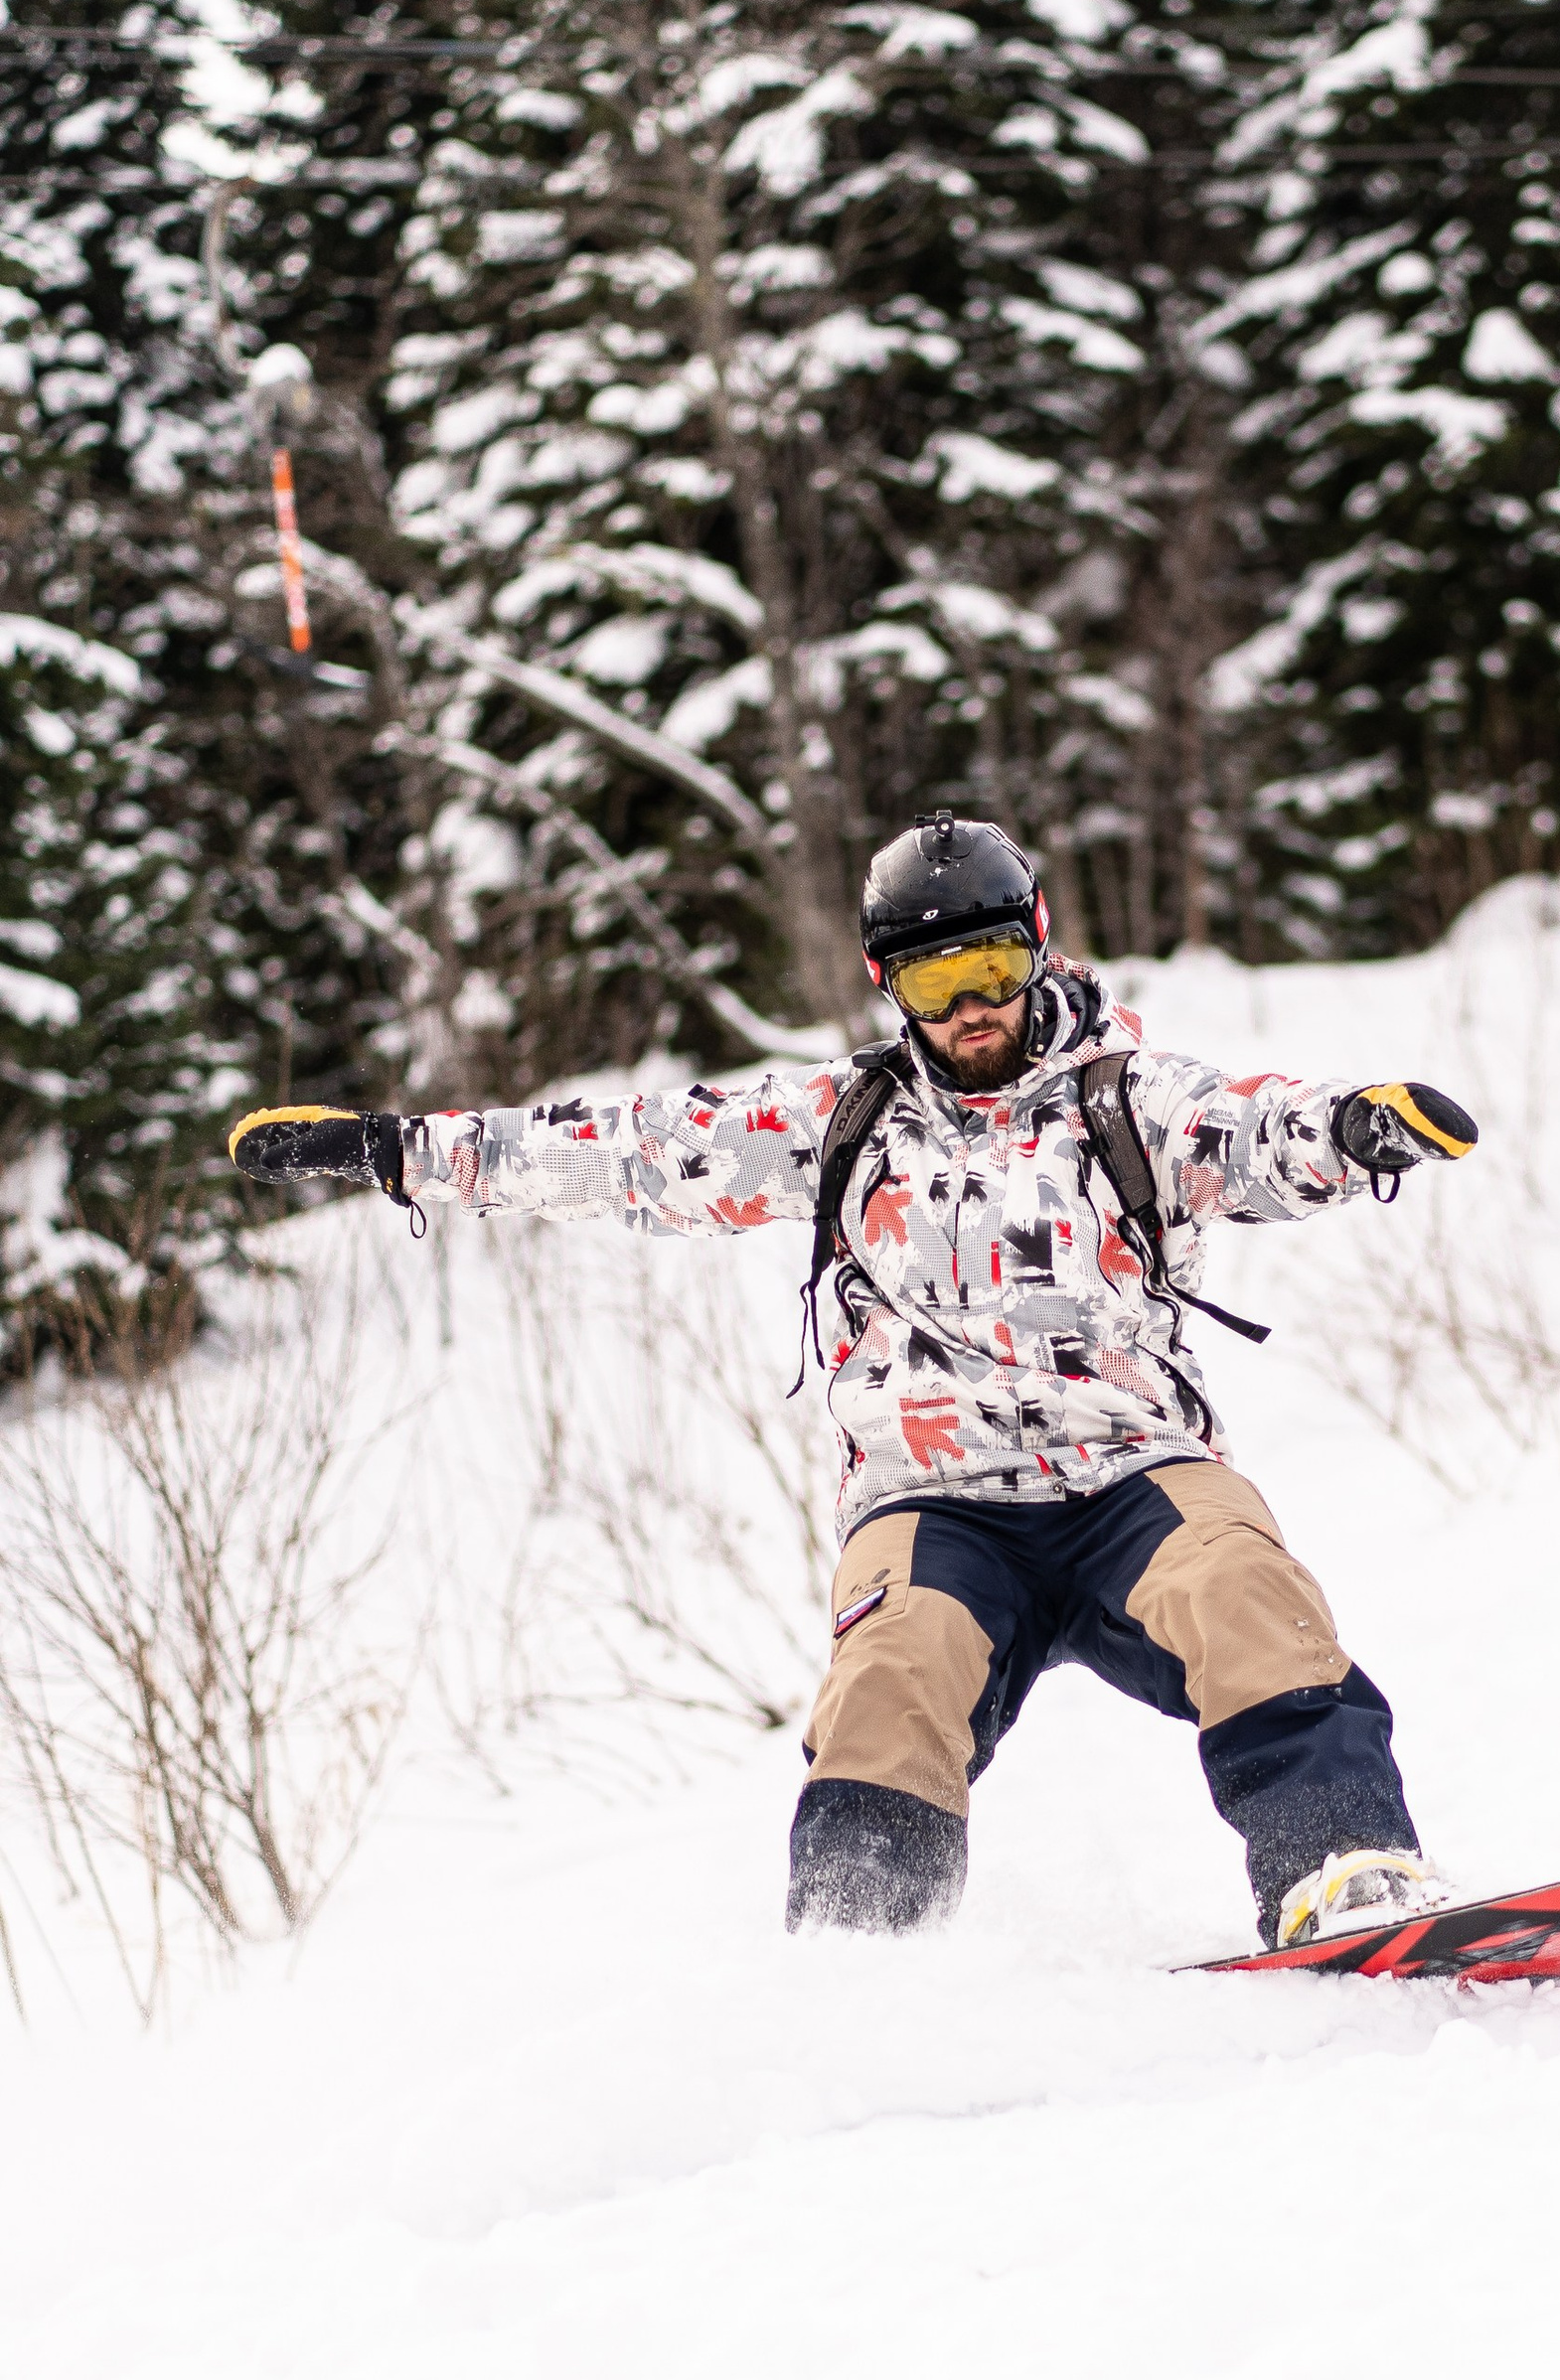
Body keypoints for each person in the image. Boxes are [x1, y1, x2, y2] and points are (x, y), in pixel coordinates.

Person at [229, 811, 1480, 1953]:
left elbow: (1253, 1129)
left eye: (994, 966)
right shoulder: (844, 1120)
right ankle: (857, 1961)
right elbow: (630, 1152)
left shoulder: (1127, 1099)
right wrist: (398, 1149)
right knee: (892, 1667)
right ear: (889, 983)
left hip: (1131, 1471)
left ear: (1038, 946)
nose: (973, 1005)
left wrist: (1352, 1128)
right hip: (934, 1501)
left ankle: (1342, 1866)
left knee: (1238, 1581)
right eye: (936, 982)